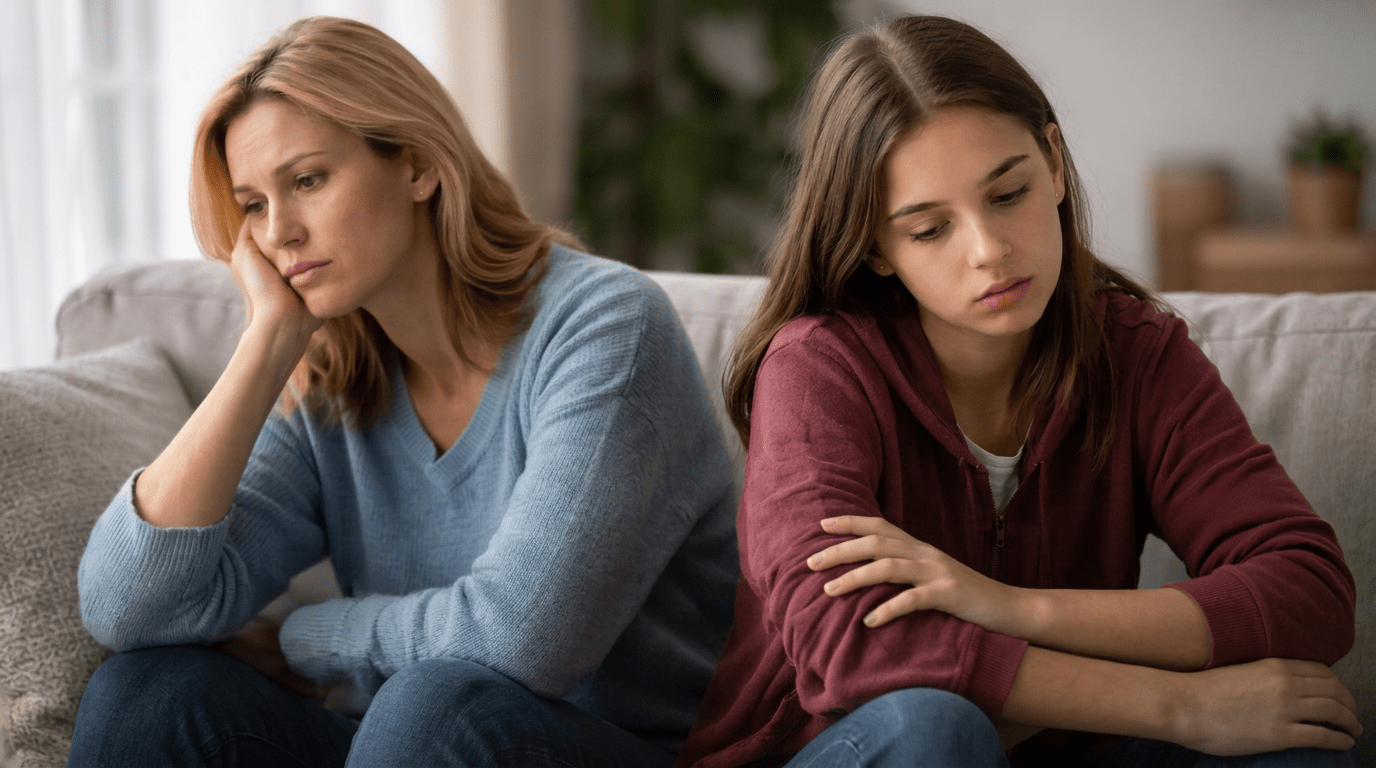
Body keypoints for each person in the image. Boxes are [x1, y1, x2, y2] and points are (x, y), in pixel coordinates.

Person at [676, 15, 1359, 768]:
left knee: (1298, 740)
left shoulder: (1136, 355)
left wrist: (1010, 607)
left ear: (1055, 163)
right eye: (930, 230)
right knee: (935, 730)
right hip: (864, 750)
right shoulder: (818, 370)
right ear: (874, 243)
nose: (989, 250)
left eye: (1008, 194)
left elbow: (1308, 589)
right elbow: (850, 652)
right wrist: (1179, 705)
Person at [68, 15, 738, 768]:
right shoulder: (330, 376)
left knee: (434, 707)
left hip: (611, 748)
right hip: (404, 741)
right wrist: (266, 343)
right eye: (253, 204)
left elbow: (519, 642)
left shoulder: (605, 328)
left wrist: (307, 637)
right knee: (146, 691)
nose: (279, 232)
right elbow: (125, 610)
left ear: (418, 165)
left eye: (308, 181)